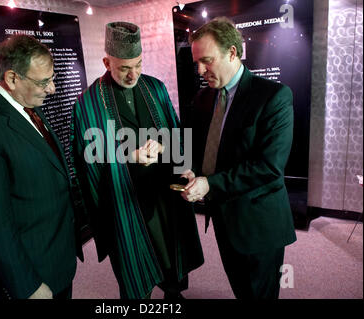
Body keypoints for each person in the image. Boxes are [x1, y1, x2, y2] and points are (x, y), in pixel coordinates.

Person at [72, 21, 204, 299]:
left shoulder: (154, 88)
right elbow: (87, 156)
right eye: (124, 68)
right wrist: (128, 155)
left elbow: (175, 131)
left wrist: (176, 157)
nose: (133, 75)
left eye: (138, 65)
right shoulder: (88, 102)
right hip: (124, 201)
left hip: (163, 194)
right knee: (135, 265)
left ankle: (173, 292)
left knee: (171, 251)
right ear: (107, 62)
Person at [0, 35, 81, 299]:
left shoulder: (28, 104)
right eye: (44, 82)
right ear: (12, 79)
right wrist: (27, 285)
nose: (52, 89)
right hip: (30, 275)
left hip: (55, 257)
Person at [182, 17, 297, 299]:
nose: (200, 70)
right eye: (197, 62)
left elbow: (268, 167)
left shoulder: (274, 97)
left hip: (258, 223)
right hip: (223, 217)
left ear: (232, 53)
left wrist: (210, 184)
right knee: (241, 289)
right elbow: (195, 147)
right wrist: (188, 170)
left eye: (206, 61)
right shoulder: (203, 98)